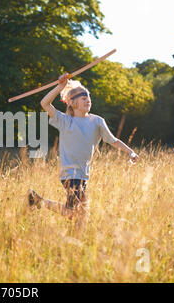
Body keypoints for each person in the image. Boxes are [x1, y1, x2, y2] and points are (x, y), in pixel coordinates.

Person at [28, 73, 139, 227]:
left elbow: (113, 140)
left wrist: (130, 152)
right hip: (70, 173)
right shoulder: (65, 121)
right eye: (83, 98)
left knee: (76, 213)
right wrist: (60, 87)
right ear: (72, 103)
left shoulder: (97, 121)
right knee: (80, 212)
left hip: (83, 174)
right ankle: (40, 203)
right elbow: (45, 103)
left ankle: (37, 201)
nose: (87, 100)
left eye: (88, 98)